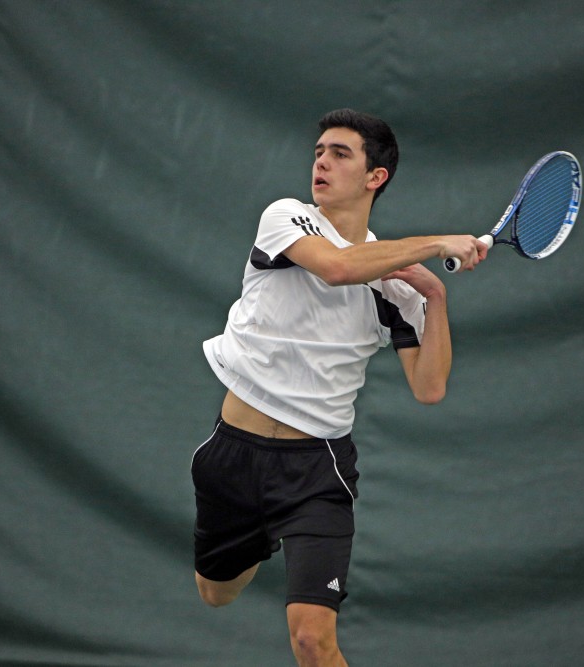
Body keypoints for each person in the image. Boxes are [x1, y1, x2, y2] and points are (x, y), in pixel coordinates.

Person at [191, 108, 489, 666]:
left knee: (312, 640)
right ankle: (259, 536)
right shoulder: (286, 218)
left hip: (315, 473)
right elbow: (336, 267)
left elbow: (429, 387)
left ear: (376, 177)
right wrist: (436, 241)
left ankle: (288, 531)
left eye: (339, 153)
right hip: (234, 454)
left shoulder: (394, 286)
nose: (321, 162)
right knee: (216, 592)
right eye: (318, 152)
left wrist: (436, 300)